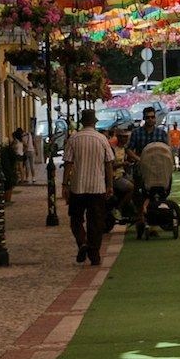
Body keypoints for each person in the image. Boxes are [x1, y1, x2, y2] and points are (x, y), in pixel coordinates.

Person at [63, 109, 114, 266]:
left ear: (82, 122)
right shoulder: (102, 139)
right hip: (97, 186)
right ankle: (94, 253)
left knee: (76, 219)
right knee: (96, 221)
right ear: (94, 122)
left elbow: (68, 164)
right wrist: (110, 185)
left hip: (78, 186)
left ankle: (82, 242)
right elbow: (109, 164)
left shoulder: (74, 139)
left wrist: (65, 184)